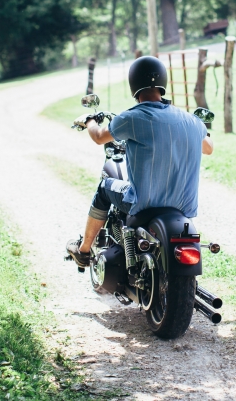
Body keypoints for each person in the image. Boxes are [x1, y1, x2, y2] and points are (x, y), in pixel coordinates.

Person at [67, 56, 214, 267]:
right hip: (183, 205)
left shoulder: (132, 118)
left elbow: (99, 136)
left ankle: (83, 251)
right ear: (163, 83)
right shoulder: (191, 121)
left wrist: (89, 121)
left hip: (144, 202)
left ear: (133, 84)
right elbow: (208, 148)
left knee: (104, 187)